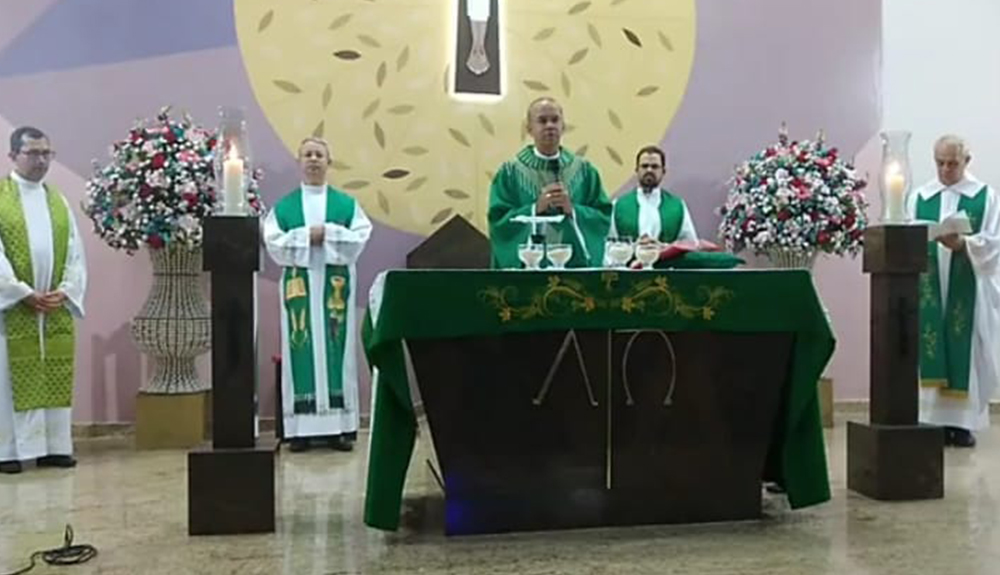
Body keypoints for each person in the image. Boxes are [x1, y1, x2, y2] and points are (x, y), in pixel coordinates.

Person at [263, 137, 372, 452]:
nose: (313, 159)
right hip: (301, 287)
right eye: (307, 154)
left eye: (319, 154)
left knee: (339, 351)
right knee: (300, 347)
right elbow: (273, 242)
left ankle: (340, 427)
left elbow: (360, 237)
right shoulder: (285, 206)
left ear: (329, 162)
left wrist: (328, 233)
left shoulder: (345, 204)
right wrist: (307, 235)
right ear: (300, 161)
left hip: (334, 288)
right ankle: (301, 430)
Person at [0, 126, 87, 474]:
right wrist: (21, 292)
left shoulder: (57, 200)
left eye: (46, 153)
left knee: (53, 369)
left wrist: (65, 289)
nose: (41, 161)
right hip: (12, 310)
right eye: (33, 153)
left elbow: (75, 254)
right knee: (8, 379)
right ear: (12, 156)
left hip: (51, 307)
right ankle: (9, 450)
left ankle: (54, 446)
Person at [908, 135, 1000, 448]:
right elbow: (907, 235)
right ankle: (931, 420)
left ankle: (962, 425)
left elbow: (994, 243)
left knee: (967, 345)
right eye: (940, 163)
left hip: (967, 285)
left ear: (966, 162)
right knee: (930, 340)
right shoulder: (920, 195)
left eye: (952, 163)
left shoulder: (985, 196)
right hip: (930, 284)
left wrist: (964, 245)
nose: (945, 170)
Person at [487, 96, 612, 268]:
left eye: (555, 120)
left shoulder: (585, 172)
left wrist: (574, 211)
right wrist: (534, 209)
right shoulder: (510, 173)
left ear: (563, 126)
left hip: (575, 269)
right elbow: (498, 222)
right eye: (542, 121)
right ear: (529, 128)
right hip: (529, 273)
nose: (550, 126)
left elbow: (603, 217)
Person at [610, 145, 698, 245]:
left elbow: (690, 245)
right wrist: (634, 247)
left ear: (663, 171)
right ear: (637, 170)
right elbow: (609, 245)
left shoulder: (677, 206)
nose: (649, 170)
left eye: (654, 166)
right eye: (644, 166)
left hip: (667, 260)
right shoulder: (618, 206)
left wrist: (663, 247)